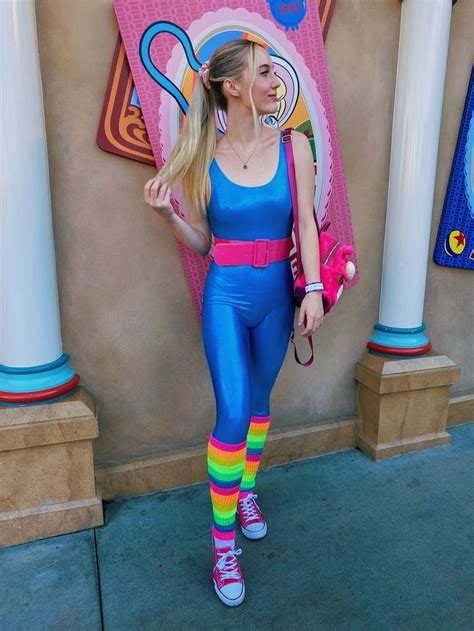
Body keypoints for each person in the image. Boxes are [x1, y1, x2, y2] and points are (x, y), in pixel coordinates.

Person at [144, 39, 323, 607]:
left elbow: (308, 227)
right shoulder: (203, 156)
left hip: (277, 295)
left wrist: (313, 290)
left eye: (276, 72)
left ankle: (245, 490)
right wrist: (169, 215)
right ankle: (224, 548)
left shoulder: (295, 146)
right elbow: (202, 245)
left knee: (261, 402)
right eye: (265, 72)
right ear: (233, 85)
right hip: (225, 295)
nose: (277, 81)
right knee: (232, 414)